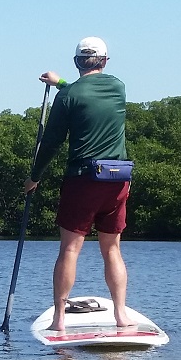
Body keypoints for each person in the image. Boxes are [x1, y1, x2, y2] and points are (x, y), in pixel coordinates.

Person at [24, 37, 134, 332]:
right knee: (112, 250)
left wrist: (34, 177)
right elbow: (82, 92)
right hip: (118, 179)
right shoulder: (118, 87)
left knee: (70, 250)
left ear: (77, 63)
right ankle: (121, 316)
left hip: (83, 179)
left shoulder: (68, 96)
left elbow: (51, 142)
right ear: (105, 62)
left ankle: (60, 319)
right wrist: (61, 83)